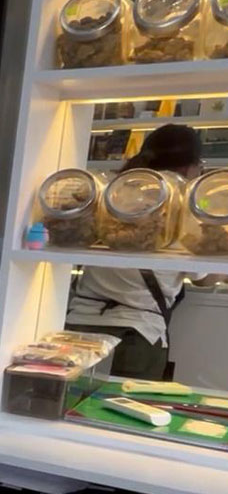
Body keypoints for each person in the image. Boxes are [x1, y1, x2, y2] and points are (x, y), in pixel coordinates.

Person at [65, 124, 203, 380]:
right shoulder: (184, 206)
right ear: (189, 166)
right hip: (136, 333)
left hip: (79, 325)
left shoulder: (113, 193)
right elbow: (202, 275)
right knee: (125, 413)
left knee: (67, 410)